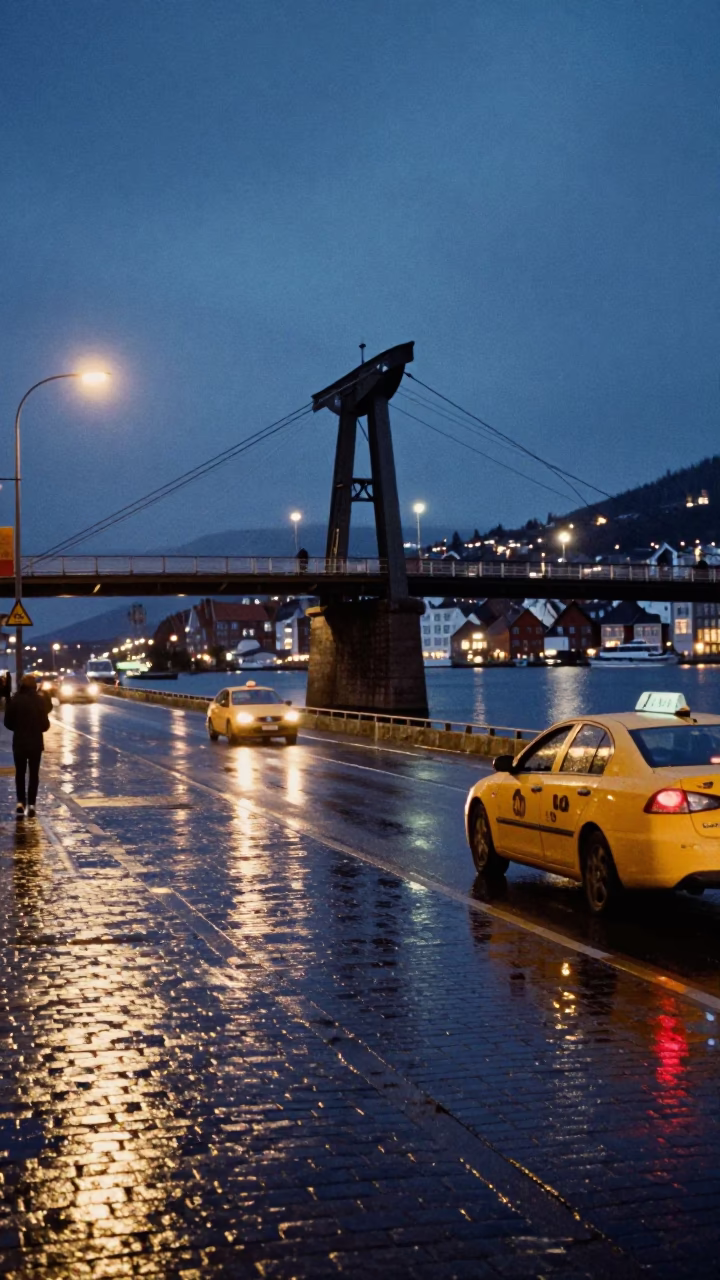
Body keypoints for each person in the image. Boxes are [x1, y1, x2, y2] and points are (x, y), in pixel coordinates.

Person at [4, 673, 51, 818]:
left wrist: (18, 728)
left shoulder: (15, 700)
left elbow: (8, 723)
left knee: (20, 773)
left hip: (19, 743)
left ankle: (20, 802)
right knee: (34, 774)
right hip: (36, 743)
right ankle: (32, 804)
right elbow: (45, 725)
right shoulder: (39, 700)